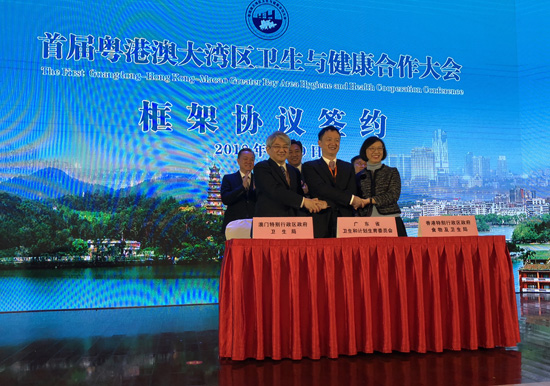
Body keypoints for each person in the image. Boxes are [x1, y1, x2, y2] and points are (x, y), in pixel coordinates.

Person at [302, 126, 365, 238]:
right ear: (320, 143)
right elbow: (320, 189)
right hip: (320, 221)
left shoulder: (348, 167)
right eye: (329, 139)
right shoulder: (309, 166)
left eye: (337, 140)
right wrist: (350, 200)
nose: (333, 143)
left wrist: (327, 203)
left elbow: (351, 191)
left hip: (345, 222)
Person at [254, 131, 327, 217]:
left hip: (291, 222)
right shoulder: (261, 167)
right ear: (268, 149)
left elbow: (298, 196)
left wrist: (314, 203)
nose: (282, 150)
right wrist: (304, 202)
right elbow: (275, 191)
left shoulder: (294, 171)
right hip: (268, 223)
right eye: (277, 146)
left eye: (285, 147)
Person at [356, 137, 408, 237]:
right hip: (365, 223)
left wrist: (369, 201)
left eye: (380, 148)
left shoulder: (392, 172)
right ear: (364, 151)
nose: (376, 152)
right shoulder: (358, 176)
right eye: (372, 148)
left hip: (391, 220)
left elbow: (393, 195)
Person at [220, 148, 256, 235]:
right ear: (238, 161)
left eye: (252, 159)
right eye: (245, 159)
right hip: (233, 225)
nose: (249, 161)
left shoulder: (258, 179)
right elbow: (226, 199)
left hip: (255, 227)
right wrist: (242, 188)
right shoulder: (228, 178)